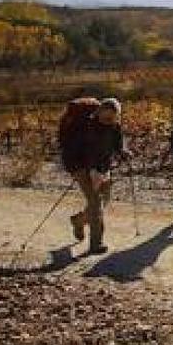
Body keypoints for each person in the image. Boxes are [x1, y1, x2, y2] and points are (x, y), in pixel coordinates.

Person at [62, 97, 130, 254]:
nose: (109, 121)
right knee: (95, 203)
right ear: (99, 112)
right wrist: (81, 169)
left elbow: (118, 145)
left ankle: (78, 221)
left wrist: (124, 152)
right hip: (82, 168)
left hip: (102, 168)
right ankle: (96, 244)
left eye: (113, 118)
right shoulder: (86, 128)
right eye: (106, 118)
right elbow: (72, 151)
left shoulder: (114, 126)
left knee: (104, 200)